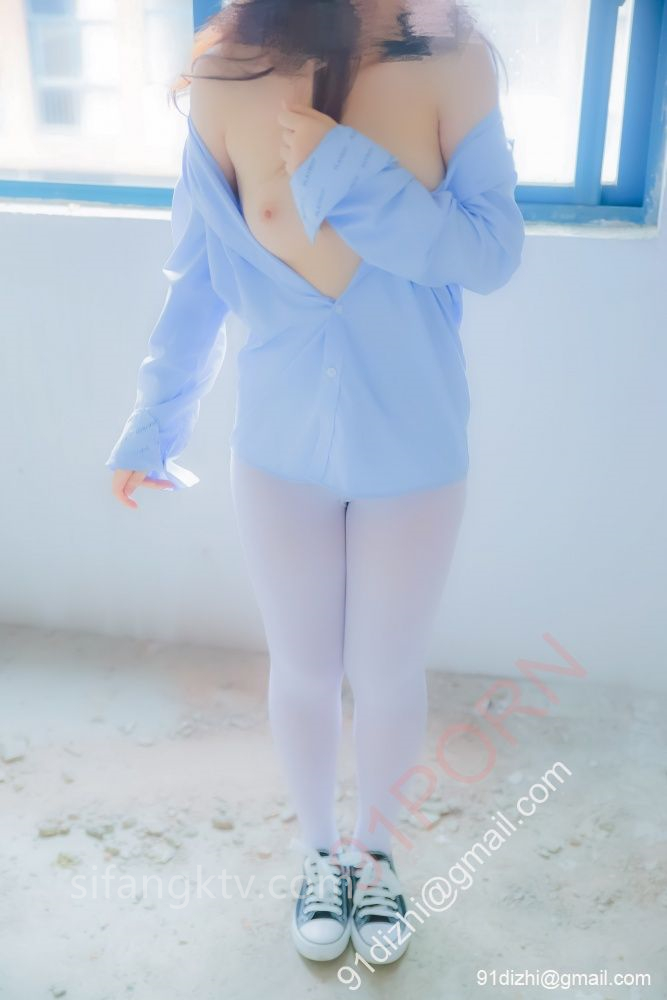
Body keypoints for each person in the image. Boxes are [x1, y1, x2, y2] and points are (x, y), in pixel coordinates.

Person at [105, 0, 524, 965]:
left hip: (415, 450)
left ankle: (376, 856)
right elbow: (198, 278)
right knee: (299, 667)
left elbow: (491, 253)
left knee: (385, 672)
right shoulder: (227, 76)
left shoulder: (453, 63)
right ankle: (318, 855)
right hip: (278, 453)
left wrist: (351, 172)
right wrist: (154, 423)